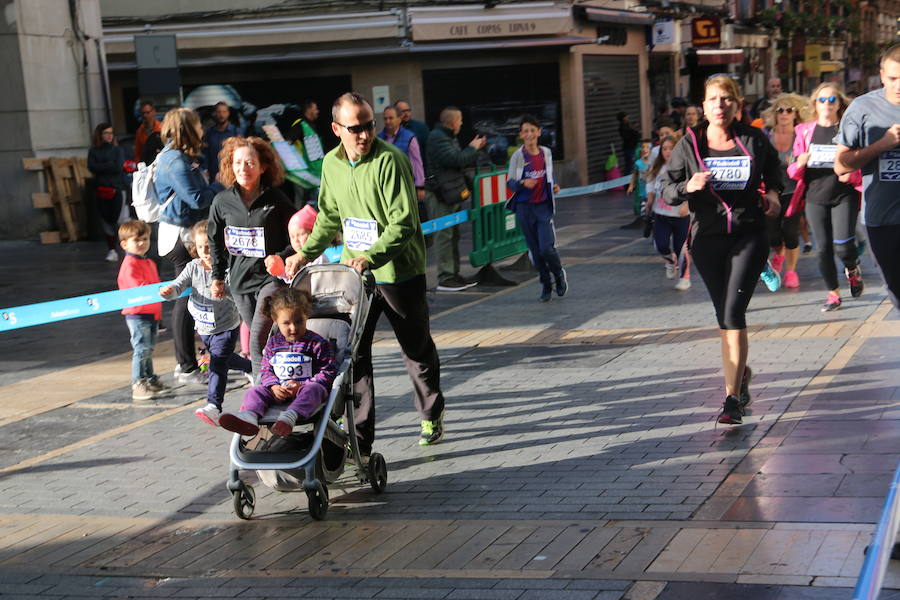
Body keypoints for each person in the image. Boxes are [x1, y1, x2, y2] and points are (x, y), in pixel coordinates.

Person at [284, 91, 447, 451]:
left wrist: (371, 255)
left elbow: (403, 223)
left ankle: (431, 412)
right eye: (356, 128)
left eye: (369, 125)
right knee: (353, 356)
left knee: (416, 349)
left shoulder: (391, 160)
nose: (365, 134)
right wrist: (304, 253)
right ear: (336, 128)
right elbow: (327, 217)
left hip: (399, 272)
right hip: (356, 279)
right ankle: (360, 439)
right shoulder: (331, 164)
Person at [662, 74, 782, 425]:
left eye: (727, 98)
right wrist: (688, 185)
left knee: (733, 314)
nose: (720, 105)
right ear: (703, 105)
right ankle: (741, 374)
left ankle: (731, 400)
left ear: (738, 103)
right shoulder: (690, 144)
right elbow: (666, 188)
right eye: (713, 99)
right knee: (723, 316)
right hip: (707, 240)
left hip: (749, 235)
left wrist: (774, 194)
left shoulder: (754, 139)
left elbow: (775, 175)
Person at [208, 136, 294, 379]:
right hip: (240, 283)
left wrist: (282, 255)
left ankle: (258, 400)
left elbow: (299, 235)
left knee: (256, 341)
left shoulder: (276, 199)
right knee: (270, 340)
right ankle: (283, 382)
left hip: (271, 281)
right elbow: (215, 241)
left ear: (263, 166)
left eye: (249, 162)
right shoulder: (221, 202)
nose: (243, 169)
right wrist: (217, 277)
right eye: (238, 163)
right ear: (230, 166)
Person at [155, 107, 224, 385]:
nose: (202, 129)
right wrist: (219, 185)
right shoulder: (175, 160)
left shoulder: (181, 157)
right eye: (197, 125)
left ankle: (191, 362)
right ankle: (185, 367)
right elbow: (197, 198)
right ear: (186, 128)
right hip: (180, 238)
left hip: (184, 233)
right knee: (185, 298)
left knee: (192, 297)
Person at [160, 220, 253, 425]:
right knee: (224, 358)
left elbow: (239, 296)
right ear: (195, 247)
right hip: (204, 327)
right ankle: (250, 367)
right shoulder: (193, 267)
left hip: (226, 326)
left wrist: (224, 291)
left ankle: (213, 405)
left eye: (211, 246)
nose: (206, 251)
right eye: (201, 247)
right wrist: (169, 292)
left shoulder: (228, 270)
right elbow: (179, 284)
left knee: (218, 363)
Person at [219, 288, 337, 438]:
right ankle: (249, 416)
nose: (293, 327)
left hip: (304, 391)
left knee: (315, 389)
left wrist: (304, 385)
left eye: (299, 321)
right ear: (275, 320)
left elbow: (328, 371)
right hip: (277, 391)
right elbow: (266, 370)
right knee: (254, 391)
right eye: (286, 323)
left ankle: (289, 417)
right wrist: (273, 386)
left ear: (306, 316)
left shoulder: (317, 343)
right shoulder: (273, 344)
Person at [787, 83, 863, 311]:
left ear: (839, 104)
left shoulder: (847, 130)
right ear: (814, 104)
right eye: (822, 100)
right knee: (822, 249)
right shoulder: (804, 131)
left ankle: (851, 268)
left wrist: (851, 175)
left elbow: (860, 164)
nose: (827, 105)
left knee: (843, 245)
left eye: (832, 100)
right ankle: (833, 294)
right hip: (815, 197)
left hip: (844, 195)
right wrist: (799, 163)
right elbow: (792, 170)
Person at [835, 43, 900, 310]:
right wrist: (883, 144)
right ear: (882, 75)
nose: (899, 85)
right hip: (882, 219)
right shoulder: (862, 109)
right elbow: (841, 165)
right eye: (894, 78)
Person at [505, 115, 566, 302]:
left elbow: (549, 174)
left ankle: (558, 274)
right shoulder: (517, 155)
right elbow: (510, 182)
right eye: (526, 131)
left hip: (543, 207)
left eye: (533, 130)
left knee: (547, 248)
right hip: (525, 208)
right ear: (521, 135)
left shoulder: (546, 152)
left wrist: (554, 185)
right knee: (536, 252)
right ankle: (546, 285)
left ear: (539, 132)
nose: (530, 134)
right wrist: (524, 182)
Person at [426, 106, 487, 291]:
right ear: (452, 122)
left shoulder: (446, 137)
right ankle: (445, 277)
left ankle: (453, 273)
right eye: (460, 120)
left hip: (449, 194)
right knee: (444, 235)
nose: (461, 123)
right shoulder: (438, 137)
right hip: (441, 195)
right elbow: (456, 159)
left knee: (453, 234)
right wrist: (472, 148)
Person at [117, 220, 170, 401]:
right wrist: (159, 291)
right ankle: (138, 383)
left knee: (148, 348)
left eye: (145, 239)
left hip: (151, 312)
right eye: (137, 240)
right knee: (141, 348)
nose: (142, 243)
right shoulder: (129, 265)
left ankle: (149, 379)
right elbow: (139, 289)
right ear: (124, 244)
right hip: (137, 313)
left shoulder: (149, 262)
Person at [761, 93, 810, 289]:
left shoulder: (801, 136)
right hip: (771, 191)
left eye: (789, 110)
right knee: (772, 235)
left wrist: (800, 163)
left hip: (793, 191)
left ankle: (790, 271)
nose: (784, 114)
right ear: (774, 114)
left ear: (795, 114)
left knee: (790, 232)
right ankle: (778, 254)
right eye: (780, 110)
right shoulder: (766, 136)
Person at [647, 135, 692, 290]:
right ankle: (670, 262)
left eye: (671, 148)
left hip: (680, 216)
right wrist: (649, 200)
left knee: (682, 248)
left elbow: (691, 186)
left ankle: (685, 278)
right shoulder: (657, 167)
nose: (667, 151)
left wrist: (687, 204)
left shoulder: (685, 166)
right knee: (660, 245)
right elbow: (651, 184)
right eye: (664, 148)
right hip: (661, 214)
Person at [379, 105, 426, 219]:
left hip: (405, 185)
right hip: (385, 187)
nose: (388, 121)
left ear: (399, 119)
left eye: (391, 118)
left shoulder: (409, 137)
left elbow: (417, 163)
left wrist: (420, 186)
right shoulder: (379, 138)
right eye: (385, 118)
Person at [88, 123, 126, 262]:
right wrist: (109, 165)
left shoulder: (117, 150)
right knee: (106, 221)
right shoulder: (94, 151)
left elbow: (117, 167)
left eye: (111, 132)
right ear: (100, 134)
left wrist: (102, 166)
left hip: (116, 189)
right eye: (106, 133)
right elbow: (91, 167)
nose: (109, 135)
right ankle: (112, 249)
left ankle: (125, 247)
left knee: (118, 221)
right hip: (101, 190)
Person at [286, 100, 325, 206]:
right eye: (315, 109)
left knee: (317, 201)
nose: (317, 111)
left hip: (316, 172)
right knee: (301, 201)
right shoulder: (299, 125)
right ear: (308, 110)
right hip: (303, 172)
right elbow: (289, 143)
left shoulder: (311, 125)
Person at [204, 102, 239, 181]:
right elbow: (206, 152)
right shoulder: (209, 133)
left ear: (228, 113)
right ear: (214, 114)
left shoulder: (235, 131)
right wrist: (205, 169)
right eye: (219, 112)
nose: (221, 115)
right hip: (213, 174)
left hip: (232, 173)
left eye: (224, 112)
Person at [623, 140, 651, 229]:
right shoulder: (638, 163)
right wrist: (631, 186)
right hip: (643, 193)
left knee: (652, 211)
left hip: (652, 192)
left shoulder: (654, 162)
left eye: (647, 147)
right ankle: (646, 225)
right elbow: (635, 175)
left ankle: (651, 224)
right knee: (644, 211)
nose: (644, 149)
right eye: (643, 147)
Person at [617, 111, 641, 176]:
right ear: (623, 118)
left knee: (632, 164)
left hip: (632, 147)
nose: (628, 117)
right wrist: (633, 130)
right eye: (626, 116)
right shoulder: (623, 127)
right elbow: (627, 137)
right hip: (629, 148)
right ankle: (627, 183)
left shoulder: (627, 125)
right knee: (629, 166)